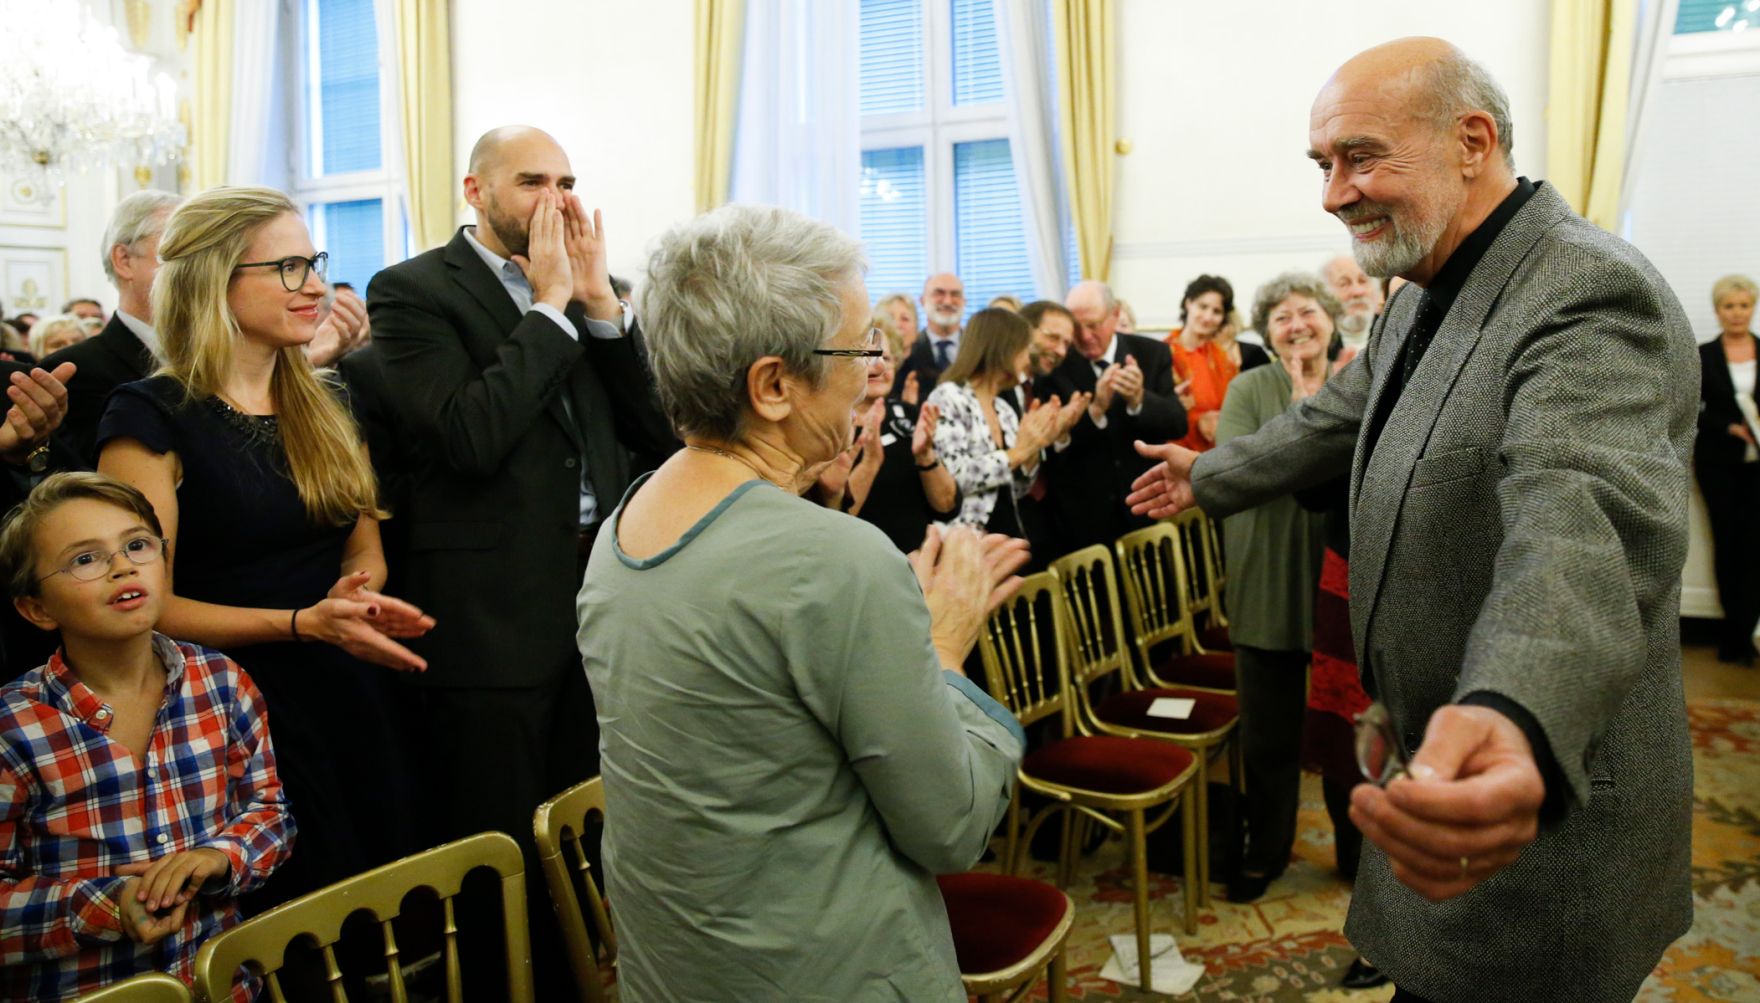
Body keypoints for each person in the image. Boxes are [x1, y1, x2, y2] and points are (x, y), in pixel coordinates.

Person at [1129, 38, 1696, 1002]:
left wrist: (1517, 708)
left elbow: (1582, 518)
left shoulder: (1588, 291)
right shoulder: (1421, 294)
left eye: (1360, 156)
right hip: (1432, 773)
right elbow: (1333, 419)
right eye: (1323, 165)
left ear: (1471, 140)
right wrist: (1211, 473)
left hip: (1534, 809)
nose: (1333, 194)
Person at [579, 203, 1027, 1001]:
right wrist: (947, 646)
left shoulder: (626, 520)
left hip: (681, 964)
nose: (869, 369)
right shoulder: (836, 559)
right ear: (775, 385)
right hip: (821, 965)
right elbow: (950, 824)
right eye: (858, 345)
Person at [364, 124, 675, 997]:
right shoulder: (414, 291)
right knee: (496, 835)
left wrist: (603, 312)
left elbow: (655, 430)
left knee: (586, 817)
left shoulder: (587, 292)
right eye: (533, 180)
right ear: (475, 190)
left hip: (597, 594)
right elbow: (471, 435)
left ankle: (587, 971)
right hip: (489, 609)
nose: (556, 199)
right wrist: (545, 309)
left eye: (568, 180)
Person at [95, 187, 432, 915]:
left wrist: (355, 596)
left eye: (313, 262)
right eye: (287, 267)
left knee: (380, 896)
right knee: (293, 916)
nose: (314, 284)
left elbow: (361, 545)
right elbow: (145, 603)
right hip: (231, 706)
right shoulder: (150, 415)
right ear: (215, 279)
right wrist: (303, 621)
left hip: (348, 680)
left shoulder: (332, 401)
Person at [0, 472, 293, 1000]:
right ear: (36, 609)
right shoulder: (13, 728)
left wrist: (222, 857)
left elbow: (270, 813)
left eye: (137, 545)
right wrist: (106, 907)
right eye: (85, 559)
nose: (123, 566)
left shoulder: (223, 683)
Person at [1209, 273, 1355, 904]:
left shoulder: (1361, 382)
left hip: (1345, 586)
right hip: (1267, 578)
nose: (1296, 325)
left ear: (1329, 318)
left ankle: (1357, 854)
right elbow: (1239, 473)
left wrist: (1305, 435)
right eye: (1280, 318)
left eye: (1306, 312)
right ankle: (1266, 851)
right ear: (1266, 335)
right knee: (1268, 736)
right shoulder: (1249, 388)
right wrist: (1304, 424)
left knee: (1350, 735)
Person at [1041, 279, 1186, 551]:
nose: (1083, 336)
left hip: (1145, 507)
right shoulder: (1057, 363)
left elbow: (1178, 423)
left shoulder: (1151, 353)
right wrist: (1095, 410)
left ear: (1115, 315)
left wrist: (1140, 400)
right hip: (1081, 520)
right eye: (1076, 327)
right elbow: (1053, 448)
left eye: (1093, 325)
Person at [927, 308, 1086, 538]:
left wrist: (1036, 443)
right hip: (966, 542)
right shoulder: (949, 397)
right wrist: (1017, 454)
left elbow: (1019, 489)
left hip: (1008, 535)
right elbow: (954, 479)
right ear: (1003, 348)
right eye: (1024, 348)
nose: (1026, 358)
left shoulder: (1004, 410)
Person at [817, 333, 961, 552]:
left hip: (918, 565)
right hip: (861, 562)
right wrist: (870, 464)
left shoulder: (911, 416)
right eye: (868, 357)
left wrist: (925, 456)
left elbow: (947, 507)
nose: (879, 366)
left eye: (887, 358)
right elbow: (831, 523)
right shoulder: (828, 429)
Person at [1695, 273, 1759, 665]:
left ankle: (1744, 629)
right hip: (1718, 461)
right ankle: (1730, 637)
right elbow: (1692, 411)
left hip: (1758, 467)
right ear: (1718, 311)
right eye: (1729, 306)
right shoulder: (1702, 355)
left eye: (1744, 305)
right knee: (1727, 545)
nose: (1737, 313)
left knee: (1754, 549)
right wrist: (1727, 426)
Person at [1165, 275, 1268, 452]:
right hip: (1175, 455)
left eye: (1216, 311)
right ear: (1188, 303)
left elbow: (1239, 408)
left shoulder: (1223, 358)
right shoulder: (1162, 354)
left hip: (1219, 456)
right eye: (1203, 306)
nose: (1207, 317)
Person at [894, 272, 966, 393]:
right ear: (922, 301)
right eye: (939, 293)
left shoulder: (980, 349)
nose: (948, 301)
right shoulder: (908, 351)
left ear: (964, 302)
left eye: (955, 294)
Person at [1320, 252, 1385, 355]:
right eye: (1344, 284)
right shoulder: (1318, 344)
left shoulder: (1392, 333)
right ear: (1325, 295)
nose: (1357, 292)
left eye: (1363, 281)